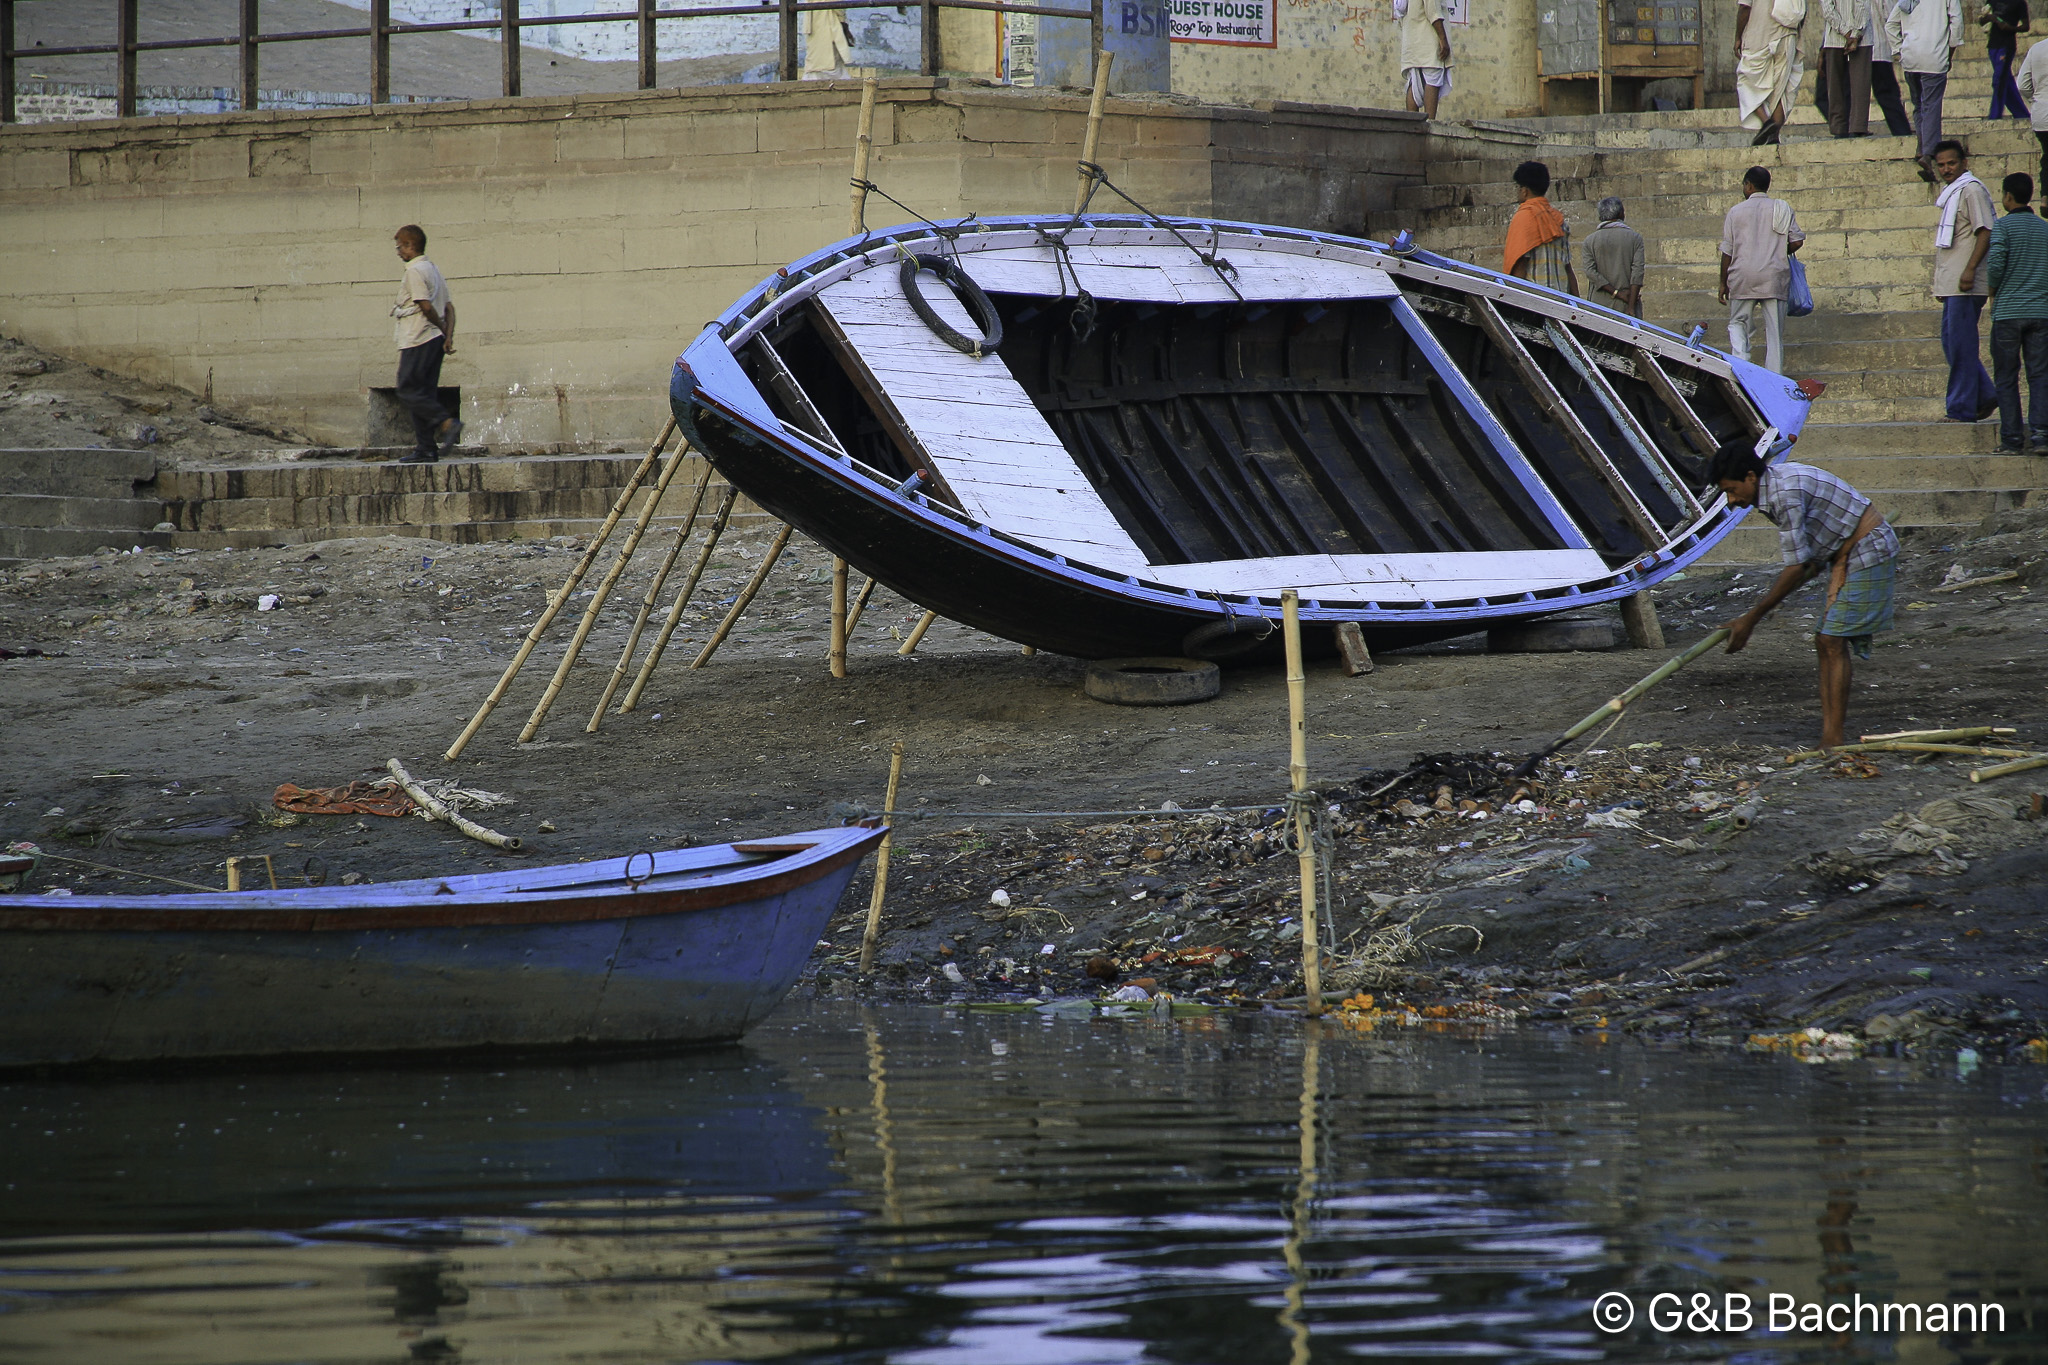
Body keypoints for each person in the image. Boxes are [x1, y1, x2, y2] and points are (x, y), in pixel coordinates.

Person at [1713, 439, 1900, 750]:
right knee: (1825, 641)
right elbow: (1806, 557)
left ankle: (1832, 739)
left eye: (1732, 490)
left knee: (1831, 640)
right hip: (1844, 552)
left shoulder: (1783, 493)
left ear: (1750, 477)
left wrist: (1751, 619)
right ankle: (1830, 736)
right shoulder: (1774, 488)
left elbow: (1797, 567)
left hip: (1868, 547)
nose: (1731, 500)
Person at [1929, 140, 1998, 421]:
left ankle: (1961, 408)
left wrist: (1969, 270)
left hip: (1965, 283)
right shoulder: (1952, 192)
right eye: (1941, 165)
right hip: (1952, 284)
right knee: (1953, 343)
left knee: (1960, 345)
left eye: (1951, 163)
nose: (1946, 169)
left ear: (1964, 163)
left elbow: (1986, 232)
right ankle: (1985, 394)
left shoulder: (1971, 189)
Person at [1719, 166, 1805, 374]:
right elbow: (1797, 241)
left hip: (1743, 276)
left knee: (1738, 322)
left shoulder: (1735, 212)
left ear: (1748, 185)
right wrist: (1777, 249)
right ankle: (1774, 375)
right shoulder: (1782, 208)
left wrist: (1723, 282)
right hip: (1773, 277)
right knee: (1774, 332)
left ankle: (1741, 365)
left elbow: (1727, 252)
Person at [1985, 171, 2048, 449]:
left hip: (2008, 313)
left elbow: (1996, 262)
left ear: (2008, 196)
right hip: (2041, 312)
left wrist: (1992, 287)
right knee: (2040, 375)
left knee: (2007, 377)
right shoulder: (2044, 228)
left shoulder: (2002, 227)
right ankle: (2042, 436)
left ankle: (2011, 439)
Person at [390, 224, 460, 465]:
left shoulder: (415, 271)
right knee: (424, 392)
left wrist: (440, 328)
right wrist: (448, 336)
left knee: (408, 390)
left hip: (418, 339)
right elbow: (449, 308)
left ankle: (447, 422)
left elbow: (426, 306)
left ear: (410, 246)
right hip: (434, 341)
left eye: (400, 246)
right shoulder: (434, 270)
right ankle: (426, 448)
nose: (398, 251)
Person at [1887, 0, 1966, 180]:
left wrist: (1899, 49)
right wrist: (1950, 53)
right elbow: (1957, 22)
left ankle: (1922, 146)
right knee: (1930, 105)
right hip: (1934, 57)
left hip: (1911, 58)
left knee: (1918, 105)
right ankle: (1929, 152)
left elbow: (1890, 25)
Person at [1813, 13, 1915, 135]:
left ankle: (1853, 129)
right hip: (1852, 45)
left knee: (1884, 94)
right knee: (1837, 94)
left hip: (1867, 45)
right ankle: (1848, 128)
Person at [1503, 161, 1579, 296]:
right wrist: (1578, 304)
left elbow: (1519, 266)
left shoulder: (1524, 218)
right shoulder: (1559, 221)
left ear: (1524, 190)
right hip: (1562, 299)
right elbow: (1568, 268)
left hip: (1536, 303)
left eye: (1518, 187)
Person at [1736, 0, 1807, 144]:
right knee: (1779, 92)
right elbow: (1802, 11)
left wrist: (1737, 37)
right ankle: (1773, 136)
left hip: (1759, 36)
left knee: (1746, 82)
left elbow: (1745, 8)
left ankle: (1767, 122)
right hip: (1787, 36)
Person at [1582, 197, 1645, 316]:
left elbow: (1590, 272)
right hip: (1627, 304)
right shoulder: (1635, 238)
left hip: (1599, 305)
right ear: (1621, 213)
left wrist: (1616, 293)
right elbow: (1637, 274)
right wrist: (1631, 306)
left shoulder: (1589, 241)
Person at [1821, 0, 1875, 135]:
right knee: (1836, 85)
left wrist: (1852, 34)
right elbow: (1827, 9)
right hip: (1841, 36)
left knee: (1859, 83)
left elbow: (1864, 7)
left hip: (1858, 37)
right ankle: (1843, 127)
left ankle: (1856, 127)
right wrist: (1851, 33)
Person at [1396, 0, 1453, 119]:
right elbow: (1433, 12)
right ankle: (1430, 126)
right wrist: (1443, 39)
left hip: (1413, 40)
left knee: (1415, 83)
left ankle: (1411, 127)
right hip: (1428, 41)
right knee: (1432, 79)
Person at [1983, 0, 2030, 118]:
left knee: (1998, 80)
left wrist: (2010, 28)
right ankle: (2022, 114)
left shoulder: (2019, 3)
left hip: (2007, 46)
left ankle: (1994, 116)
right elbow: (1981, 20)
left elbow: (2026, 26)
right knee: (2006, 80)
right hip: (1993, 45)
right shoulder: (1992, 1)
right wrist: (1989, 18)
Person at [2020, 27, 2048, 188]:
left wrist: (2037, 99)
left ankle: (2045, 195)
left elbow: (2022, 85)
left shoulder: (2036, 49)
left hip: (2041, 116)